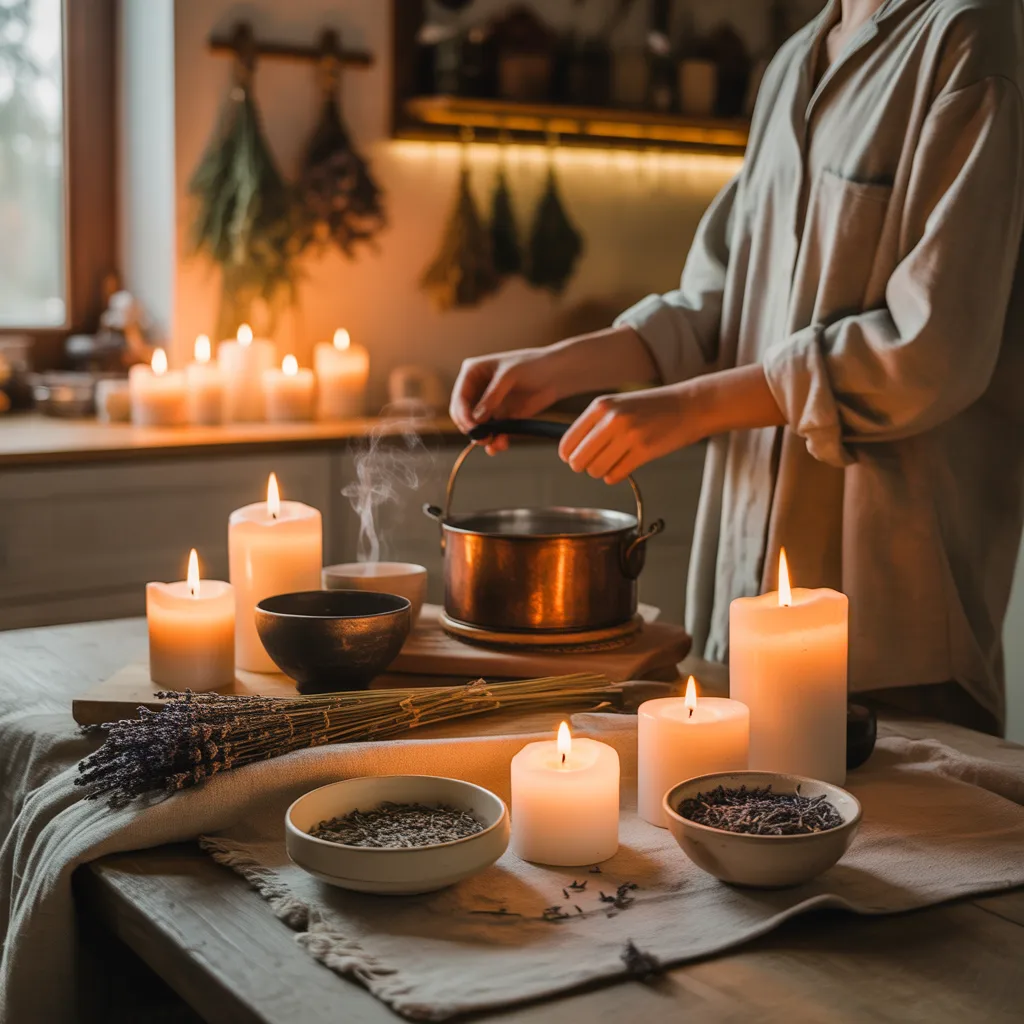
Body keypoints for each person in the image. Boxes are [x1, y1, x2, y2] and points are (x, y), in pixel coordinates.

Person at [449, 0, 1024, 736]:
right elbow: (725, 297)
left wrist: (691, 408)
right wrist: (565, 365)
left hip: (893, 633)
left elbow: (930, 351)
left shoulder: (967, 37)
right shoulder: (791, 63)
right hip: (739, 602)